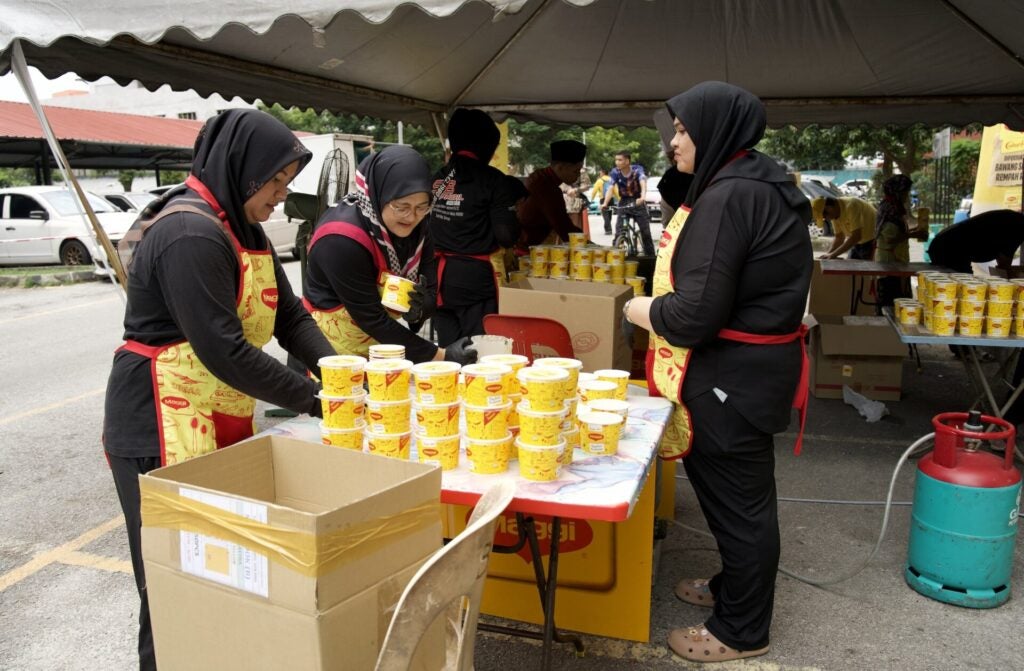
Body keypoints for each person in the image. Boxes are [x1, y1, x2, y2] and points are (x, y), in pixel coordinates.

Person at [103, 109, 336, 670]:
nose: (281, 196)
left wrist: (344, 373)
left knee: (217, 569)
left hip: (212, 411)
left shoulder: (242, 226)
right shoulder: (190, 234)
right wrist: (319, 400)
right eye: (275, 182)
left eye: (286, 183)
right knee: (169, 580)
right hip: (158, 422)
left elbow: (291, 319)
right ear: (243, 168)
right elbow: (223, 348)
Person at [621, 82, 812, 663]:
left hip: (735, 376)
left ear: (715, 131)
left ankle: (740, 631)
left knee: (742, 505)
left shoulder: (730, 196)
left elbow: (694, 315)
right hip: (750, 368)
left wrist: (638, 310)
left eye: (682, 130)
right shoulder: (758, 180)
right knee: (735, 500)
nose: (673, 141)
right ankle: (733, 589)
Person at [305, 145, 478, 365]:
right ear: (379, 195)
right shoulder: (341, 241)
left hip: (380, 349)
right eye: (401, 206)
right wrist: (442, 356)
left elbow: (430, 288)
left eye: (421, 206)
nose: (411, 217)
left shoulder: (420, 230)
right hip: (329, 352)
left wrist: (421, 310)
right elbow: (373, 320)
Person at [428, 108, 521, 347]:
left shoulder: (438, 178)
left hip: (437, 278)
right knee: (477, 351)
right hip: (475, 282)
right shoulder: (493, 180)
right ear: (488, 145)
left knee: (449, 351)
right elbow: (506, 235)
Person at [516, 139, 586, 248]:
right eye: (575, 171)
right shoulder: (545, 187)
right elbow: (564, 228)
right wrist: (593, 247)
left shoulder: (538, 176)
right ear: (560, 167)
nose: (578, 176)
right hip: (527, 247)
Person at [874, 174, 925, 313]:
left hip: (897, 260)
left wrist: (914, 230)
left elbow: (898, 233)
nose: (906, 197)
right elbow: (890, 238)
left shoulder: (895, 208)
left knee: (899, 300)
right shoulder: (889, 209)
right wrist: (913, 234)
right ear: (898, 192)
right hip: (889, 263)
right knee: (891, 303)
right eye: (905, 193)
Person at [926, 209, 1024, 274]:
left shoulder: (1015, 219)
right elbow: (1004, 263)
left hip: (942, 244)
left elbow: (1002, 261)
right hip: (947, 248)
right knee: (964, 288)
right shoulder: (1018, 227)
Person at [602, 150, 655, 256]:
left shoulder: (637, 170)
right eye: (616, 160)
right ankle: (616, 256)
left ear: (627, 161)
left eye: (620, 160)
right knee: (618, 232)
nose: (617, 162)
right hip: (624, 201)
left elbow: (643, 183)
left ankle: (651, 259)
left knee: (646, 233)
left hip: (637, 201)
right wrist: (605, 203)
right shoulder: (615, 172)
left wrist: (642, 197)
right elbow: (610, 188)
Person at [813, 195, 878, 260]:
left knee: (866, 268)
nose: (827, 218)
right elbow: (839, 237)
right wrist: (828, 254)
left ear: (829, 207)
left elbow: (856, 237)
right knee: (851, 267)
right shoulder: (834, 214)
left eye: (824, 216)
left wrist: (833, 254)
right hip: (857, 242)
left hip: (873, 240)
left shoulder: (852, 206)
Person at [590, 167, 617, 234]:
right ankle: (608, 227)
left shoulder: (599, 181)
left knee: (605, 215)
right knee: (609, 214)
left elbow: (594, 191)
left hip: (603, 199)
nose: (599, 174)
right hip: (611, 199)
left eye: (600, 172)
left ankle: (608, 230)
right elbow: (616, 190)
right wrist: (619, 199)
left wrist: (592, 199)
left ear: (603, 173)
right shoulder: (611, 179)